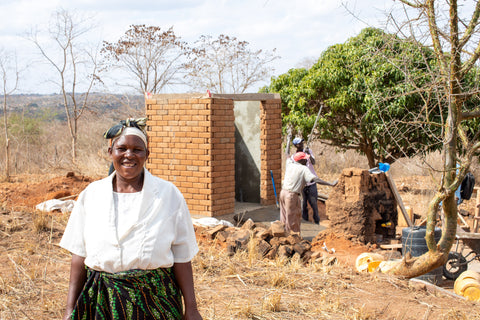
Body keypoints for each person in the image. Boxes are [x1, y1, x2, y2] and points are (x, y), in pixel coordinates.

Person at [60, 118, 203, 320]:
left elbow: (182, 256)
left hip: (155, 303)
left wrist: (192, 308)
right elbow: (79, 256)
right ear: (111, 152)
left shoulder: (168, 195)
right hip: (102, 302)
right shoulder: (91, 195)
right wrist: (69, 310)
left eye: (137, 149)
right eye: (122, 148)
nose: (129, 155)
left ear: (146, 155)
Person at [280, 137, 337, 233]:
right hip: (291, 196)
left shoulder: (290, 163)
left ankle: (281, 235)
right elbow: (316, 179)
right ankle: (291, 239)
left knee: (284, 217)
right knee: (292, 218)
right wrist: (330, 184)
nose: (307, 161)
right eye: (305, 159)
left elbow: (286, 154)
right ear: (301, 161)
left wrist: (288, 139)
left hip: (283, 193)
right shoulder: (304, 169)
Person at [292, 137, 321, 224]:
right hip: (302, 184)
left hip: (311, 183)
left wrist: (308, 154)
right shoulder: (295, 157)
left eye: (302, 143)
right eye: (299, 143)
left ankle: (317, 221)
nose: (302, 144)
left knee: (314, 203)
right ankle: (306, 221)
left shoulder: (308, 151)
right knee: (303, 204)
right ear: (296, 145)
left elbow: (313, 162)